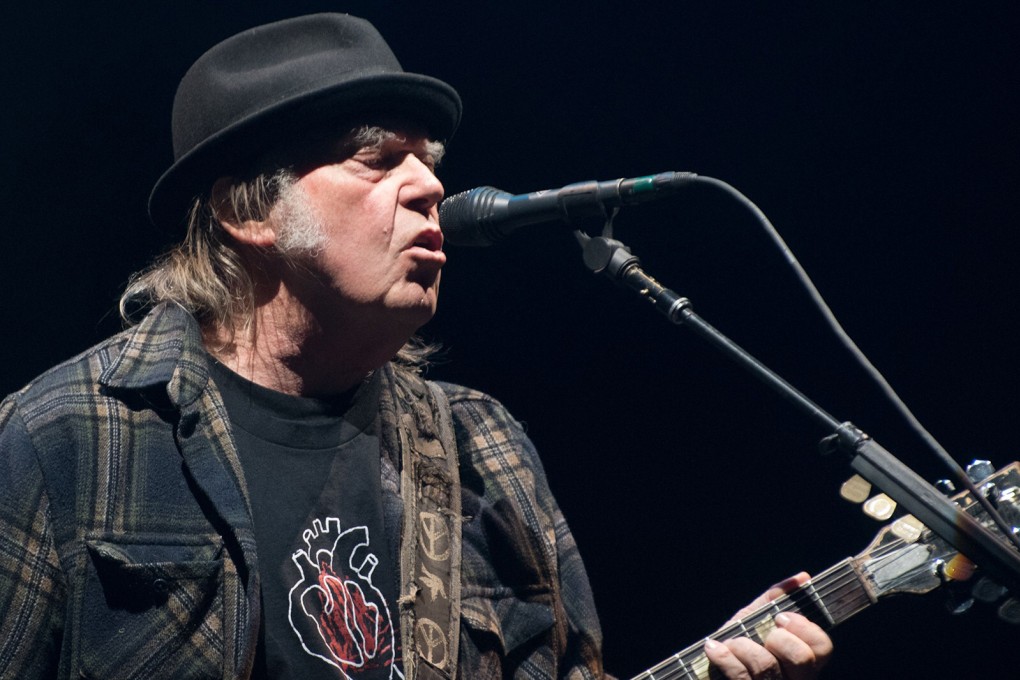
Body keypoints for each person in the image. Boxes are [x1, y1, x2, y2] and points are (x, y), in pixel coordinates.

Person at [0, 13, 832, 680]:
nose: (431, 185)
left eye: (428, 161)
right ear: (248, 213)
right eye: (378, 159)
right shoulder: (66, 436)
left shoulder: (481, 445)